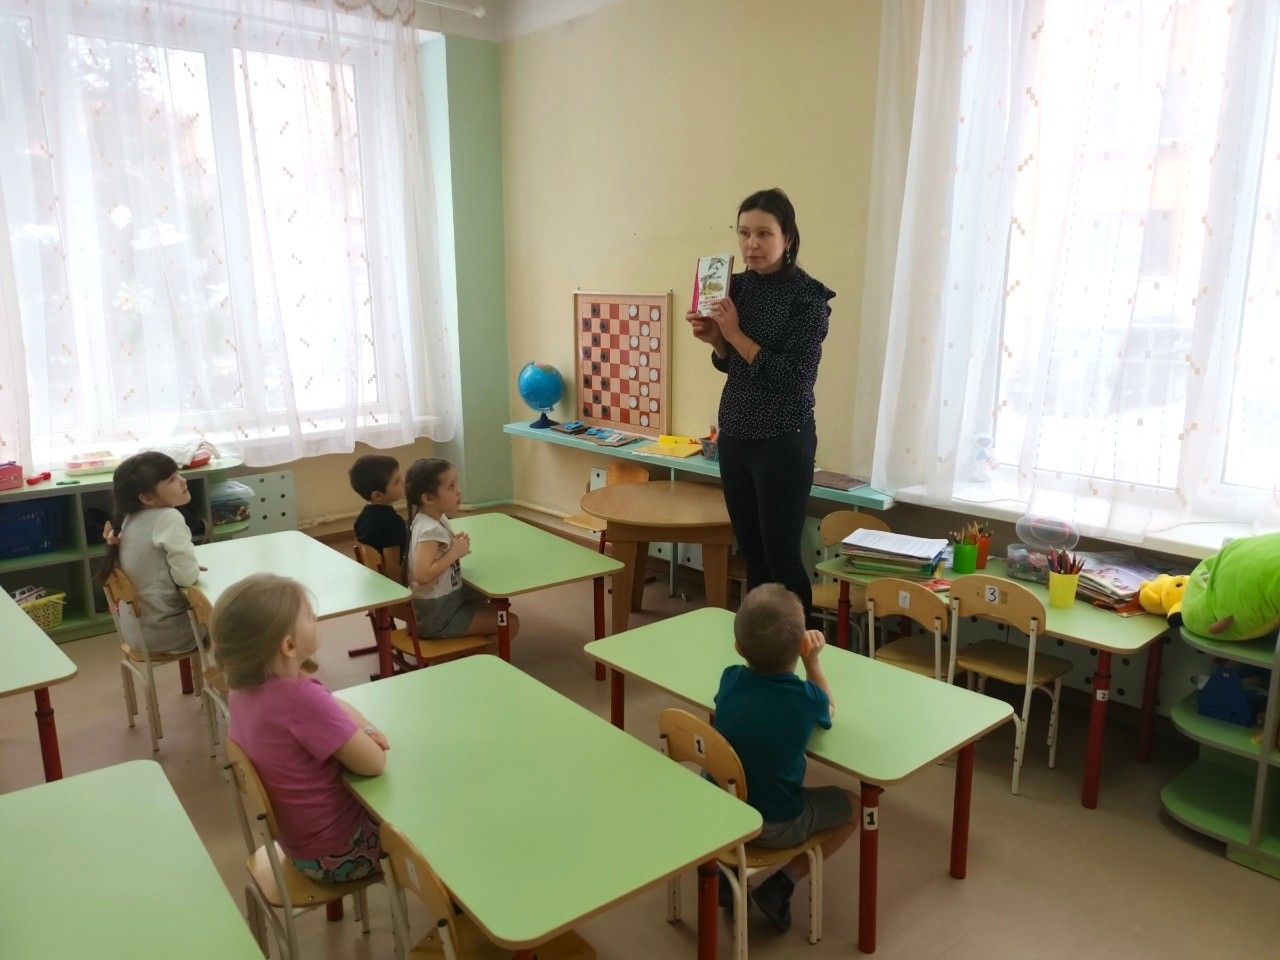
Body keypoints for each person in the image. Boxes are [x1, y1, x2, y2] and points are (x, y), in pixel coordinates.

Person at [687, 188, 834, 624]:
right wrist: (717, 341)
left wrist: (733, 334)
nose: (751, 244)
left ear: (787, 237)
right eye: (744, 233)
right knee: (752, 553)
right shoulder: (733, 287)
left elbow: (794, 379)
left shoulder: (808, 298)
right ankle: (762, 649)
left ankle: (801, 650)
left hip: (783, 438)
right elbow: (732, 365)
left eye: (763, 233)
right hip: (735, 433)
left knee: (781, 558)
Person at [215, 573, 389, 882]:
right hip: (341, 850)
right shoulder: (300, 699)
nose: (316, 618)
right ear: (289, 645)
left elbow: (330, 706)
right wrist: (366, 727)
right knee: (425, 821)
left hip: (301, 847)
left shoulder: (242, 690)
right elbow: (374, 762)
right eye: (309, 615)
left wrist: (346, 716)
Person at [713, 583, 858, 931]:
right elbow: (829, 708)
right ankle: (783, 883)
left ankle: (726, 870)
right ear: (800, 645)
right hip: (775, 825)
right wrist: (812, 661)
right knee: (855, 806)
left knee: (728, 763)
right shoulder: (805, 699)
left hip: (726, 810)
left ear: (738, 647)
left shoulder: (730, 678)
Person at [405, 458, 518, 641]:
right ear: (428, 498)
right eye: (451, 487)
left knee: (484, 588)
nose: (459, 491)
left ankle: (471, 645)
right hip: (438, 617)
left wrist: (453, 545)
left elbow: (434, 554)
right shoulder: (430, 530)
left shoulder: (433, 518)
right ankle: (478, 658)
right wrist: (454, 553)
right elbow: (422, 575)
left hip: (441, 605)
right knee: (511, 623)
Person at [101, 451, 201, 655]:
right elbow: (186, 578)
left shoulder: (129, 519)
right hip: (168, 633)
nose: (183, 481)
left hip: (136, 633)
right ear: (147, 498)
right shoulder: (168, 517)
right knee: (234, 618)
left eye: (178, 474)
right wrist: (190, 569)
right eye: (171, 479)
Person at [349, 454, 408, 578]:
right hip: (388, 582)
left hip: (371, 576)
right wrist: (400, 589)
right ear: (377, 495)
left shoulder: (363, 516)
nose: (403, 481)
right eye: (397, 481)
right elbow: (392, 569)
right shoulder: (393, 523)